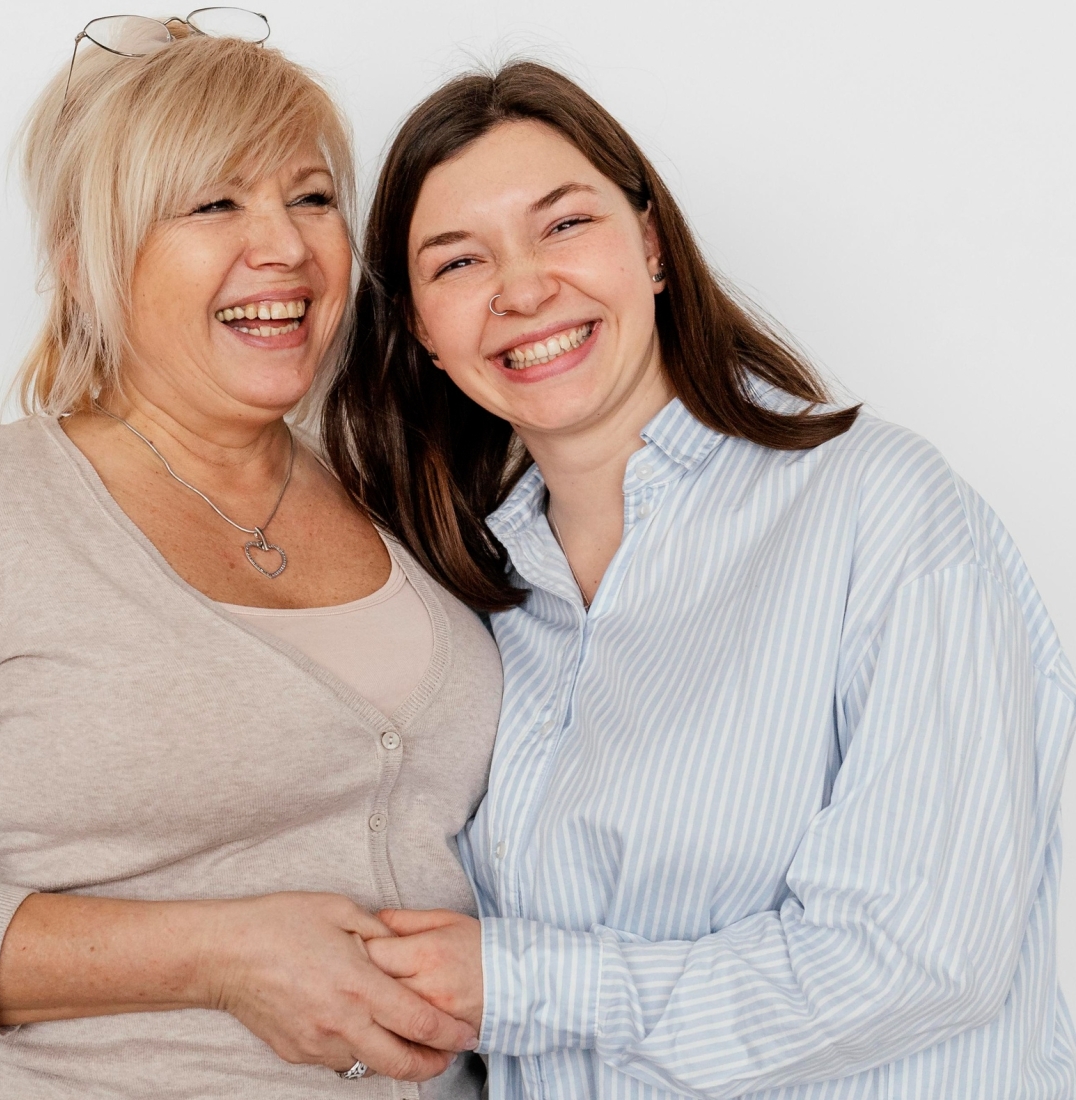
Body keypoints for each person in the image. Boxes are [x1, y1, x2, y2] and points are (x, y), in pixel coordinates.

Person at [0, 20, 498, 1099]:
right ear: (83, 262)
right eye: (213, 203)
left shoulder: (399, 481)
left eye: (311, 195)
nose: (284, 246)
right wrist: (222, 956)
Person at [325, 61, 1076, 1098]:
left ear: (651, 244)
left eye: (564, 224)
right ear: (422, 332)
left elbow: (919, 953)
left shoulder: (877, 507)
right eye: (459, 262)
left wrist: (519, 981)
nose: (524, 287)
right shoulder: (475, 609)